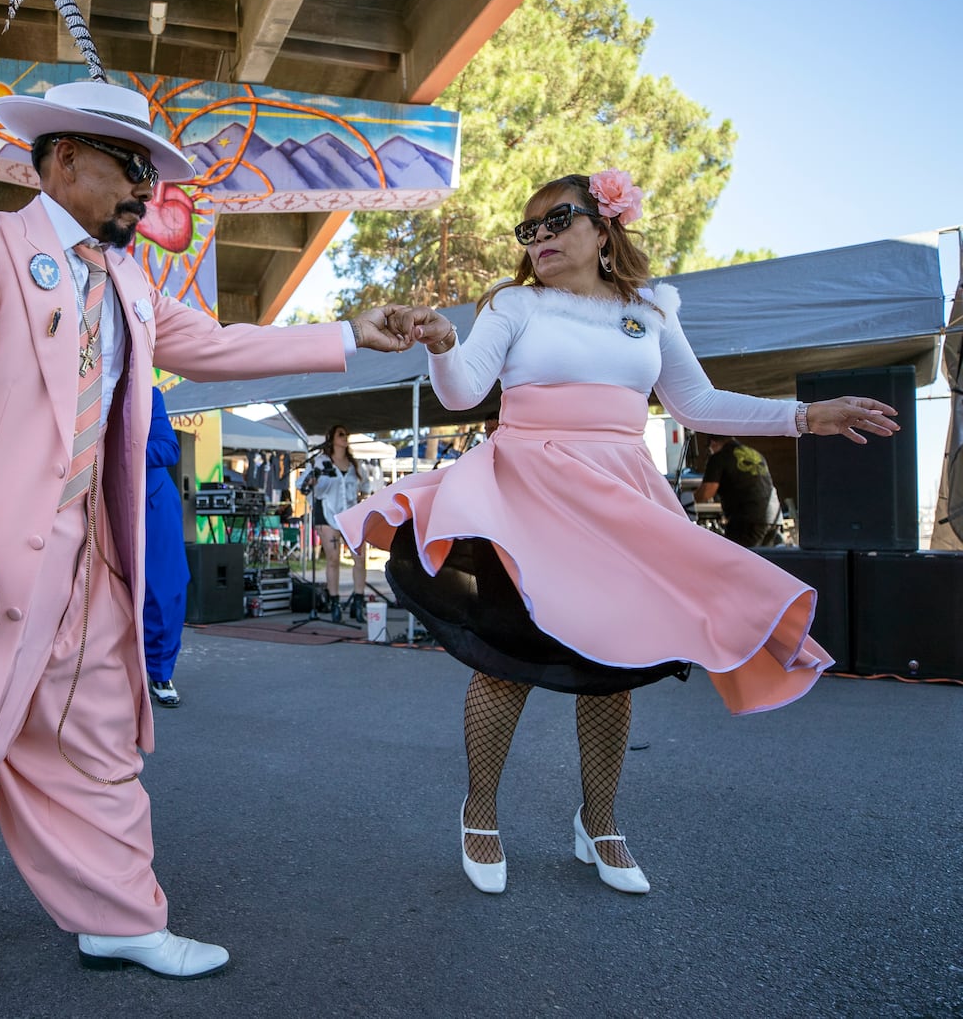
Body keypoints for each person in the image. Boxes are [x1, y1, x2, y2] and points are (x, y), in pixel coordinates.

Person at [0, 0, 422, 998]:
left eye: (148, 172)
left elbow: (215, 343)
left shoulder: (128, 277)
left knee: (90, 744)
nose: (143, 190)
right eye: (128, 166)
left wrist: (351, 331)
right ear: (62, 158)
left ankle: (118, 919)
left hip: (84, 559)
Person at [340, 169, 899, 897]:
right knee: (506, 657)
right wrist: (444, 341)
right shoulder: (514, 305)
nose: (538, 237)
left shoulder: (651, 311)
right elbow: (463, 392)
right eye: (528, 228)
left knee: (614, 666)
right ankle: (480, 810)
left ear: (603, 229)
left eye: (556, 220)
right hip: (525, 496)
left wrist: (803, 417)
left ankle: (598, 821)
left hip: (617, 501)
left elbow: (695, 402)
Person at [142, 385, 189, 707]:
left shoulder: (147, 393)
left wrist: (109, 447)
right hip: (85, 499)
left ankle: (159, 672)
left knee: (162, 591)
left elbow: (168, 450)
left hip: (151, 501)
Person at [298, 425, 372, 623]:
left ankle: (358, 602)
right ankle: (335, 603)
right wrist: (312, 483)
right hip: (327, 512)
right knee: (332, 558)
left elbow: (366, 484)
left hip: (351, 514)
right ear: (331, 438)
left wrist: (361, 499)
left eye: (346, 434)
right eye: (341, 434)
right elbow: (302, 485)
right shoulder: (320, 462)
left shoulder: (354, 463)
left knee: (360, 557)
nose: (345, 437)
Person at [696, 433, 780, 547]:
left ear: (713, 443)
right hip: (774, 516)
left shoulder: (719, 457)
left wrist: (689, 499)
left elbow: (706, 493)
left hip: (748, 519)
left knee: (736, 560)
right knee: (762, 562)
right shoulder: (754, 453)